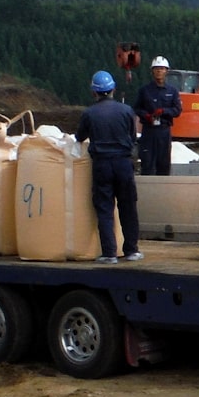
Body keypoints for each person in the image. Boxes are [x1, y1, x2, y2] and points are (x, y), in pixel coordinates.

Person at [76, 70, 143, 264]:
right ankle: (131, 250)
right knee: (128, 207)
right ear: (113, 89)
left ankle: (109, 254)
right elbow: (132, 138)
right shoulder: (126, 111)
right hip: (123, 163)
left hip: (102, 165)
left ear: (94, 92)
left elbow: (79, 137)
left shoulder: (89, 113)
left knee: (105, 208)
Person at [134, 55, 182, 176]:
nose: (159, 71)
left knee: (164, 164)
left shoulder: (172, 91)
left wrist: (164, 111)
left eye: (162, 68)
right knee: (147, 163)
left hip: (164, 131)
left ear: (166, 71)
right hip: (149, 132)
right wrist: (146, 116)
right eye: (156, 68)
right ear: (152, 71)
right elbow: (137, 108)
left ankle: (163, 191)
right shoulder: (145, 91)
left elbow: (177, 110)